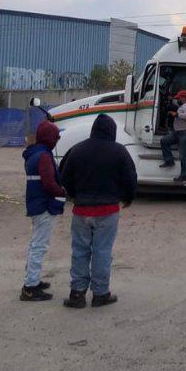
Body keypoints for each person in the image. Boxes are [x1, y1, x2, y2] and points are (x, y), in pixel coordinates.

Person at [60, 113, 137, 308]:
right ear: (112, 131)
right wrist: (128, 197)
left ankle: (77, 294)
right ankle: (101, 294)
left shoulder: (77, 150)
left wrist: (73, 194)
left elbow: (64, 176)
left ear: (93, 130)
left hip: (81, 210)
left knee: (79, 251)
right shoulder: (119, 151)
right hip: (108, 210)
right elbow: (130, 177)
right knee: (102, 251)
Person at [20, 120, 67, 302]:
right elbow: (49, 183)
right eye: (55, 137)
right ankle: (30, 287)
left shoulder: (32, 155)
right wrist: (62, 191)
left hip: (35, 203)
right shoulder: (45, 156)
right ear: (49, 138)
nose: (57, 140)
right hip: (44, 205)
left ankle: (32, 281)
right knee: (40, 246)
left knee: (35, 244)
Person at [159, 89, 186, 183]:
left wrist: (176, 114)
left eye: (179, 98)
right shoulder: (183, 105)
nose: (178, 99)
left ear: (183, 97)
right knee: (164, 141)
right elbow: (176, 103)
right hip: (179, 132)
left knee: (183, 155)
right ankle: (169, 160)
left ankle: (184, 176)